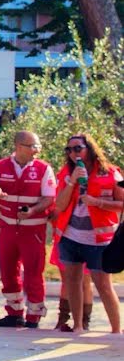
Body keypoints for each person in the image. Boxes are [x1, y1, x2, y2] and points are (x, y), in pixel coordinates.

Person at [52, 133, 122, 333]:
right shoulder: (66, 173)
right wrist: (72, 182)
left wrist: (98, 202)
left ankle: (116, 330)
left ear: (89, 148)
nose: (73, 153)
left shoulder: (110, 173)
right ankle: (78, 326)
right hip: (71, 237)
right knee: (73, 282)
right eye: (69, 150)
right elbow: (60, 205)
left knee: (103, 285)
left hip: (99, 239)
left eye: (77, 148)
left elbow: (122, 203)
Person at [0, 131, 56, 329]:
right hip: (8, 228)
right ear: (18, 146)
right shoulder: (0, 166)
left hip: (33, 230)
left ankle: (34, 315)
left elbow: (49, 198)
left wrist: (32, 210)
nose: (36, 151)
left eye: (38, 147)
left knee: (34, 271)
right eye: (32, 146)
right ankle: (14, 312)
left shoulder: (44, 169)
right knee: (8, 271)